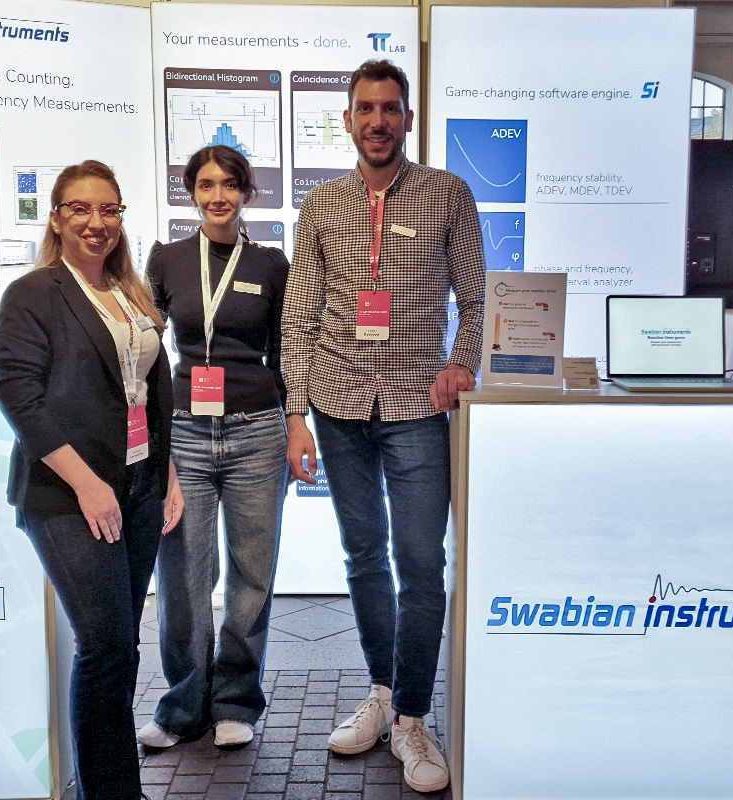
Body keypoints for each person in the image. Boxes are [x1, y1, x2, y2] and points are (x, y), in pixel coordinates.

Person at [282, 59, 486, 793]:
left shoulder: (448, 194)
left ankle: (412, 717)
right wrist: (295, 414)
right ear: (347, 119)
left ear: (407, 118)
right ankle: (378, 691)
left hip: (415, 406)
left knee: (421, 563)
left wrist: (461, 365)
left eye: (390, 109)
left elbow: (476, 294)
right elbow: (301, 313)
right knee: (363, 556)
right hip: (337, 403)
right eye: (365, 109)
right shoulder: (322, 204)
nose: (378, 121)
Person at [0, 160, 183, 800]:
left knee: (123, 648)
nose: (96, 222)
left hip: (138, 487)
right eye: (80, 208)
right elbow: (21, 398)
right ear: (56, 217)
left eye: (109, 210)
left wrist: (169, 477)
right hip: (69, 496)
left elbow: (154, 398)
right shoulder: (35, 293)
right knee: (103, 645)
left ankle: (114, 785)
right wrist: (87, 484)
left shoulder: (131, 292)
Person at [138, 145, 289, 749]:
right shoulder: (168, 260)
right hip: (184, 436)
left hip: (256, 431)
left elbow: (287, 351)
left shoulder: (272, 263)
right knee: (182, 575)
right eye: (205, 185)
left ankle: (236, 703)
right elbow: (146, 352)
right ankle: (182, 707)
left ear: (247, 192)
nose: (217, 195)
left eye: (229, 184)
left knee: (252, 576)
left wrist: (292, 416)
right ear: (191, 193)